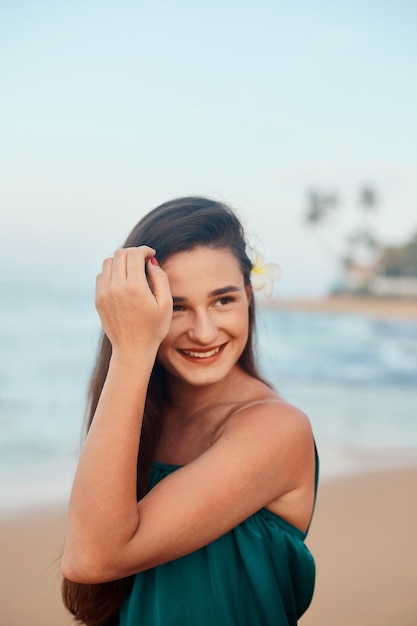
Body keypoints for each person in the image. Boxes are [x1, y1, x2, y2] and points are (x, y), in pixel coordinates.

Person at [61, 196, 318, 626]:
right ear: (140, 311)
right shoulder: (138, 419)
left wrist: (131, 351)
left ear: (249, 299)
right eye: (176, 306)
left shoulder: (276, 428)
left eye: (223, 301)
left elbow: (91, 558)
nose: (203, 331)